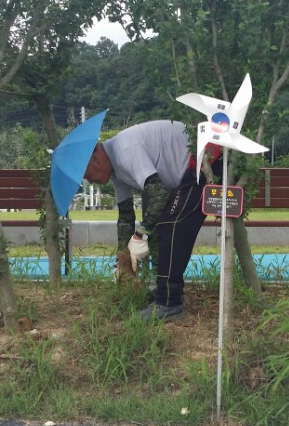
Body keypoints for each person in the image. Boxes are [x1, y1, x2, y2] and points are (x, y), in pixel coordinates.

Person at [83, 120, 221, 322]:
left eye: (90, 177)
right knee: (162, 225)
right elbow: (125, 215)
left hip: (206, 160)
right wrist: (122, 260)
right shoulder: (115, 169)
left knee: (168, 227)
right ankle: (163, 291)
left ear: (95, 158)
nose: (92, 182)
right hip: (189, 174)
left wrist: (142, 234)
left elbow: (159, 194)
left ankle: (169, 302)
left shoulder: (125, 150)